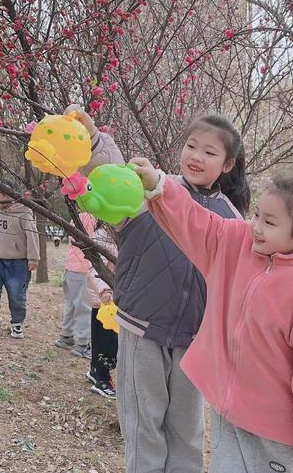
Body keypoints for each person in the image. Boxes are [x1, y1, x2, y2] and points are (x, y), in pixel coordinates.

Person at [64, 104, 249, 473]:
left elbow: (237, 280)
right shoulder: (151, 189)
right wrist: (96, 138)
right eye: (191, 146)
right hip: (141, 327)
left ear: (227, 164)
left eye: (210, 152)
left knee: (187, 432)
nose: (196, 157)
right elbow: (113, 173)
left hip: (193, 340)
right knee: (143, 426)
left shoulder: (231, 218)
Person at [133, 160, 293, 473]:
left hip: (275, 431)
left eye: (270, 222)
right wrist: (159, 186)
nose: (256, 227)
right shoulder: (236, 243)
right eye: (257, 215)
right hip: (228, 410)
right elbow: (197, 222)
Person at [0, 182, 40, 339]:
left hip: (19, 263)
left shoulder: (24, 213)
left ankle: (17, 323)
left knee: (16, 293)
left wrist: (33, 258)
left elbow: (32, 236)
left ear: (7, 195)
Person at [55, 212, 96, 359]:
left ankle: (67, 336)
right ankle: (83, 344)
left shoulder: (77, 215)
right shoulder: (91, 217)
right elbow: (92, 241)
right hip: (82, 267)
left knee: (71, 304)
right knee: (83, 307)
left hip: (71, 268)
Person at [85, 220, 118, 399]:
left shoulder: (119, 234)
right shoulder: (102, 237)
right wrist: (104, 290)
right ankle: (102, 379)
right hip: (104, 301)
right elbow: (93, 268)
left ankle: (95, 370)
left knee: (106, 340)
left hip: (114, 301)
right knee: (107, 342)